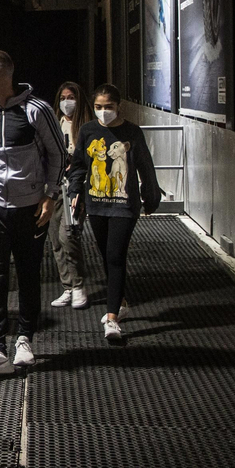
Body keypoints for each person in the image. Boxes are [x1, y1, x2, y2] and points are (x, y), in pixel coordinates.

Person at [0, 51, 65, 375]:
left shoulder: (37, 110)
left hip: (30, 210)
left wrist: (50, 196)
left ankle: (25, 340)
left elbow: (58, 154)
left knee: (28, 274)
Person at [67, 84, 161, 345]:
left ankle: (112, 319)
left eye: (108, 106)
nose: (103, 111)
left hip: (123, 204)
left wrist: (150, 198)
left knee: (115, 255)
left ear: (119, 106)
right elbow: (78, 166)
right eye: (98, 107)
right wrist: (75, 191)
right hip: (96, 203)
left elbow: (145, 166)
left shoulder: (132, 132)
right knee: (106, 256)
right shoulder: (88, 131)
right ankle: (119, 301)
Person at [48, 81, 91, 310]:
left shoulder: (87, 127)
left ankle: (78, 285)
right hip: (54, 187)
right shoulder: (55, 123)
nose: (67, 102)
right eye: (63, 97)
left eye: (71, 97)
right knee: (55, 239)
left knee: (69, 235)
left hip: (76, 188)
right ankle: (67, 286)